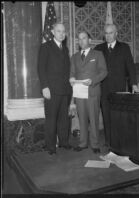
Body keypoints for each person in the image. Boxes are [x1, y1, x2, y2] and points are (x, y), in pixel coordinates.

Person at [94, 24, 139, 151]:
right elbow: (92, 67)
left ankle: (119, 140)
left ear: (116, 33)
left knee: (118, 116)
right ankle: (109, 142)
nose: (108, 35)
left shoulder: (124, 47)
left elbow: (131, 67)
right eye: (106, 33)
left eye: (111, 33)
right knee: (106, 115)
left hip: (119, 88)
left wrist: (134, 84)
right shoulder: (98, 48)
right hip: (103, 88)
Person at [70, 31, 107, 153]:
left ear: (89, 40)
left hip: (93, 91)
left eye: (84, 38)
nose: (81, 41)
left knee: (94, 118)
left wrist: (93, 81)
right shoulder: (74, 57)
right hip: (79, 92)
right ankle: (83, 143)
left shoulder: (98, 54)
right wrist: (71, 78)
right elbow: (72, 72)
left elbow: (104, 72)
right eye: (79, 39)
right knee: (82, 119)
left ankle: (95, 144)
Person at [37, 22, 72, 155]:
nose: (61, 34)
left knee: (63, 118)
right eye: (59, 31)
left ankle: (64, 142)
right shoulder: (46, 47)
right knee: (51, 119)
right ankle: (50, 146)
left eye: (63, 31)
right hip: (51, 90)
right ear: (52, 32)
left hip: (65, 90)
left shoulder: (65, 49)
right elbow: (41, 68)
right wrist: (44, 87)